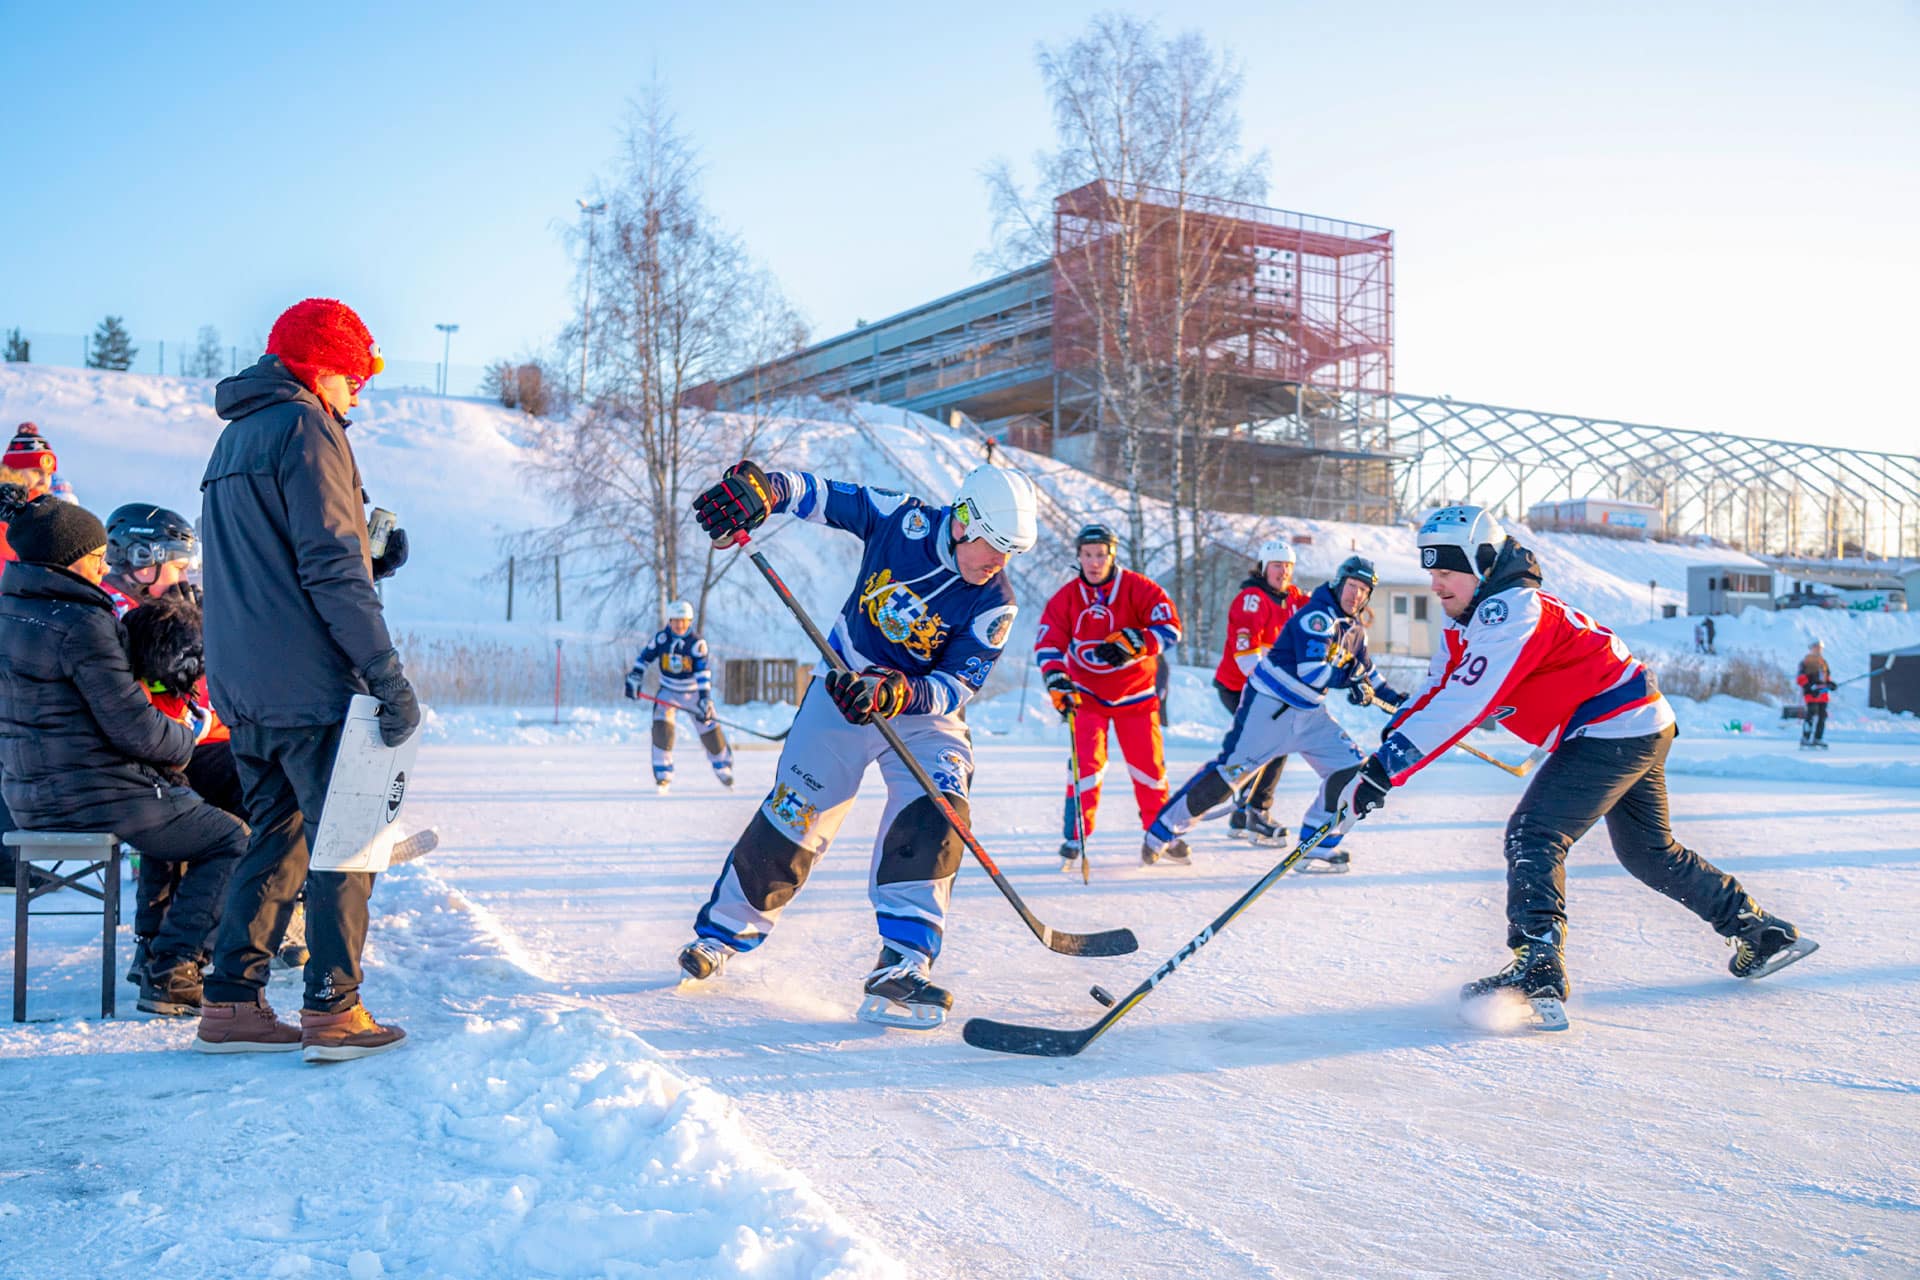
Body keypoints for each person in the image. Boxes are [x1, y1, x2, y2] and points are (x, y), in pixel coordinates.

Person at [1319, 506, 1816, 1029]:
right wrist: (1379, 763)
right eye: (1432, 572)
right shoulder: (1464, 618)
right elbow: (1438, 692)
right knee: (1649, 853)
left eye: (1448, 571)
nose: (1437, 584)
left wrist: (1382, 772)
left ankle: (1538, 962)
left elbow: (1463, 701)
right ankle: (1760, 932)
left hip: (1614, 723)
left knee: (1535, 833)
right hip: (1633, 722)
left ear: (1483, 564)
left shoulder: (1509, 610)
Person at [678, 460, 1036, 1028]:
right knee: (797, 812)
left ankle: (903, 962)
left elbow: (958, 684)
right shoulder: (903, 521)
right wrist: (766, 491)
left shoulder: (995, 601)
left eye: (1011, 552)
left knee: (940, 802)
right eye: (993, 544)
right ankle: (723, 934)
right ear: (964, 521)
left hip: (916, 709)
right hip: (843, 685)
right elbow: (817, 494)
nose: (998, 561)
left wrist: (898, 693)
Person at [193, 298, 418, 1061]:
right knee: (348, 840)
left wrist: (367, 552)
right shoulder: (307, 428)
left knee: (278, 839)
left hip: (245, 682)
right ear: (324, 369)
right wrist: (385, 673)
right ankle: (333, 1008)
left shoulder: (234, 438)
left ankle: (229, 1002)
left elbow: (266, 563)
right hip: (311, 682)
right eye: (356, 379)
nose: (359, 396)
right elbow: (328, 566)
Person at [0, 498, 246, 1015]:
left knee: (177, 803)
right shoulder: (83, 625)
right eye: (93, 555)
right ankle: (174, 967)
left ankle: (151, 954)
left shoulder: (15, 612)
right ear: (67, 560)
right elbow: (135, 728)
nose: (101, 566)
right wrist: (190, 734)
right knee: (230, 838)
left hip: (29, 794)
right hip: (92, 795)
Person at [1143, 555, 1402, 870]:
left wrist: (1401, 702)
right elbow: (1313, 672)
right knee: (1230, 775)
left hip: (1310, 715)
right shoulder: (1317, 616)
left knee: (1352, 770)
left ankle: (1316, 842)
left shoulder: (1354, 630)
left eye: (1364, 590)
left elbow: (1370, 674)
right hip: (1272, 707)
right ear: (1338, 582)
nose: (1356, 595)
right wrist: (1352, 681)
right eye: (1352, 586)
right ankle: (1163, 831)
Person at [1033, 524, 1181, 869]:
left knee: (1149, 768)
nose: (1094, 562)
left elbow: (1171, 626)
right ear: (1079, 556)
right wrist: (1056, 677)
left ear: (1112, 555)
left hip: (1137, 695)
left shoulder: (1139, 588)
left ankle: (1160, 832)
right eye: (1087, 555)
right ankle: (1075, 836)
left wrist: (1140, 641)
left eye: (1101, 555)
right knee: (1085, 765)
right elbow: (1048, 643)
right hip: (1087, 697)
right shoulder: (1066, 598)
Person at [1210, 537, 1309, 846]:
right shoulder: (1252, 599)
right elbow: (1246, 657)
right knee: (1276, 743)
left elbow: (1318, 607)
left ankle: (1242, 814)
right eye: (1277, 566)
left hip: (1263, 688)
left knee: (1262, 747)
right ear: (1264, 568)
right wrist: (1275, 690)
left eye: (1288, 566)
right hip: (1239, 686)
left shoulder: (1291, 597)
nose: (1283, 572)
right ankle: (1257, 813)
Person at [625, 600, 733, 792]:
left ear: (689, 621)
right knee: (662, 729)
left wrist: (705, 698)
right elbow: (644, 658)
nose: (679, 625)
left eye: (683, 621)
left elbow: (702, 672)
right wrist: (635, 676)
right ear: (670, 620)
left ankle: (723, 766)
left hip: (692, 693)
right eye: (676, 621)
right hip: (668, 692)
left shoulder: (696, 643)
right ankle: (663, 772)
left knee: (709, 729)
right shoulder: (661, 639)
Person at [1797, 640, 1831, 750]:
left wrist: (1830, 684)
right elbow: (1800, 678)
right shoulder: (1805, 662)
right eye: (1816, 647)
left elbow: (1826, 677)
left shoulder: (1823, 662)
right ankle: (1805, 738)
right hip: (1812, 694)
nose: (1818, 650)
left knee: (1822, 716)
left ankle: (1818, 738)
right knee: (1811, 715)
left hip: (1823, 694)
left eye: (1820, 648)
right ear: (1811, 648)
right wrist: (1810, 688)